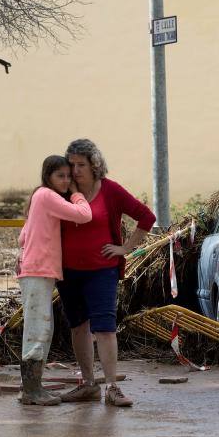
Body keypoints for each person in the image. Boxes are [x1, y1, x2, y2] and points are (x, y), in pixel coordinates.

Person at [57, 139, 155, 407]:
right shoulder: (62, 191)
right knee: (78, 327)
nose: (76, 170)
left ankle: (112, 387)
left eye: (81, 165)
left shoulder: (110, 191)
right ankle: (88, 385)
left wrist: (124, 248)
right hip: (67, 272)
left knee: (105, 328)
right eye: (72, 164)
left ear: (94, 165)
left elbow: (146, 216)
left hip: (101, 271)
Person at [17, 155, 92, 406]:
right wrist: (75, 193)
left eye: (68, 177)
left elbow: (22, 237)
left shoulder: (38, 198)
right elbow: (84, 215)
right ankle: (30, 390)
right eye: (60, 176)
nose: (66, 180)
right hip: (38, 271)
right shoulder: (47, 196)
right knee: (38, 330)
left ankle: (32, 387)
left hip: (36, 270)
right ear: (48, 176)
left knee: (41, 329)